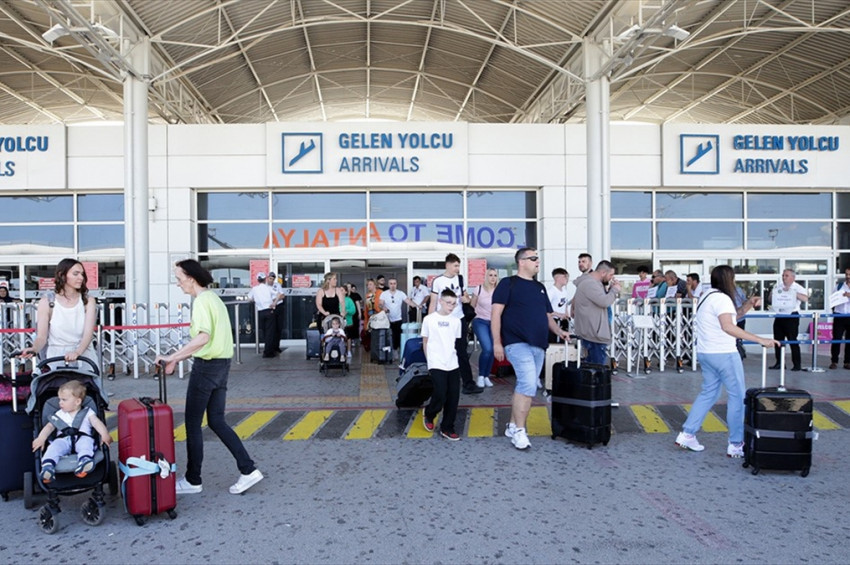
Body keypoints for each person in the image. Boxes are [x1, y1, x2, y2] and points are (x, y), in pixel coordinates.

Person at [156, 259, 263, 496]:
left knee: (193, 424)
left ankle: (193, 479)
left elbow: (203, 338)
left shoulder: (202, 301)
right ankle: (248, 469)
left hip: (206, 368)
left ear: (191, 279)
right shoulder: (213, 298)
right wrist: (178, 359)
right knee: (216, 421)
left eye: (179, 278)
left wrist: (172, 356)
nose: (178, 283)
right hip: (222, 366)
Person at [675, 265, 778, 457]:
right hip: (724, 353)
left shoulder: (708, 296)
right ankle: (736, 444)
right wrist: (759, 339)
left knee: (709, 393)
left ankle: (687, 434)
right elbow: (728, 327)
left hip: (707, 353)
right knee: (737, 397)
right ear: (729, 280)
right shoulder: (722, 299)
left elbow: (731, 318)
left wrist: (747, 304)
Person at [491, 248, 570, 450]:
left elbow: (547, 316)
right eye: (533, 258)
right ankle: (519, 431)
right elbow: (496, 315)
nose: (538, 262)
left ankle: (511, 425)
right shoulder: (507, 284)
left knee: (527, 386)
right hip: (516, 343)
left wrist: (559, 332)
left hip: (538, 344)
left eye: (538, 258)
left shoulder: (539, 287)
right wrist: (497, 343)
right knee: (527, 384)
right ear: (521, 262)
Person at [32, 379, 111, 483]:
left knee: (86, 444)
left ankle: (85, 461)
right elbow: (49, 427)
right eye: (59, 399)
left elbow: (97, 423)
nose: (60, 403)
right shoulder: (59, 414)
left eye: (64, 400)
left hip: (82, 438)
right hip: (63, 440)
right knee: (54, 447)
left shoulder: (87, 412)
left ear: (77, 401)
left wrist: (105, 434)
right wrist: (41, 438)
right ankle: (48, 466)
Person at [21, 258, 97, 367]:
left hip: (84, 355)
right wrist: (34, 349)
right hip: (56, 356)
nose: (81, 278)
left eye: (82, 274)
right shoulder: (47, 301)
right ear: (62, 275)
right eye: (76, 274)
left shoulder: (88, 301)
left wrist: (77, 352)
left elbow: (88, 334)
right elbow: (41, 337)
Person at [429, 253, 481, 394]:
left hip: (459, 319)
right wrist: (429, 322)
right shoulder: (438, 281)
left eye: (459, 265)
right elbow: (433, 302)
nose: (457, 268)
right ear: (447, 265)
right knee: (443, 349)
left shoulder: (460, 279)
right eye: (455, 265)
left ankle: (468, 383)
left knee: (461, 351)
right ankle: (443, 380)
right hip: (443, 320)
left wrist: (466, 299)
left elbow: (466, 297)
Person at [421, 289, 463, 441]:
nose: (451, 306)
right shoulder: (429, 320)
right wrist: (429, 360)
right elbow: (425, 341)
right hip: (436, 362)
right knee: (440, 393)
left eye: (454, 303)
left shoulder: (456, 321)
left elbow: (455, 343)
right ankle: (430, 413)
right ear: (440, 301)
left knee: (453, 396)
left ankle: (447, 427)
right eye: (448, 303)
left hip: (452, 362)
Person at [571, 260, 621, 366]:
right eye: (611, 274)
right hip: (594, 333)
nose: (611, 278)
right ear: (603, 272)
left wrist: (610, 290)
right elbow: (604, 302)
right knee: (596, 369)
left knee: (592, 367)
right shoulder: (590, 284)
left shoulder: (590, 283)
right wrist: (614, 290)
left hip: (591, 331)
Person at [769, 268, 808, 371]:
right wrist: (773, 294)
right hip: (780, 314)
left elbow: (805, 299)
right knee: (778, 340)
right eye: (783, 275)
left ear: (793, 277)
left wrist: (793, 292)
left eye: (786, 276)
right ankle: (780, 363)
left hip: (792, 315)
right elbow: (770, 299)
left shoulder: (798, 287)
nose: (784, 278)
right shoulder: (778, 286)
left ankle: (796, 364)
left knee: (792, 340)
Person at [470, 268, 499, 388]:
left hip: (494, 322)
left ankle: (486, 376)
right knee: (487, 348)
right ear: (486, 277)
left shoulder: (499, 291)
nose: (493, 278)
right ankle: (481, 376)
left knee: (492, 350)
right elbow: (472, 305)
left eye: (495, 275)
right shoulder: (479, 288)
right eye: (490, 275)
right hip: (480, 321)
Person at [247, 272, 279, 358]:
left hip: (260, 312)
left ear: (258, 280)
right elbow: (278, 294)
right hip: (269, 310)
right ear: (265, 279)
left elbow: (249, 298)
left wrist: (255, 300)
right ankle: (268, 352)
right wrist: (274, 303)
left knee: (265, 331)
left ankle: (268, 350)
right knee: (270, 332)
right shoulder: (268, 288)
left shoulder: (254, 289)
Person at [379, 277, 413, 357]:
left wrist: (417, 306)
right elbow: (380, 304)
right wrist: (384, 308)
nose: (393, 285)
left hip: (398, 319)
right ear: (388, 284)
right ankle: (388, 352)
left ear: (396, 284)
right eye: (391, 284)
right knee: (388, 336)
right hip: (387, 319)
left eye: (394, 283)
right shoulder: (384, 293)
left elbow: (408, 301)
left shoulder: (400, 293)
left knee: (397, 336)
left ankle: (395, 350)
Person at [830, 267, 850, 370]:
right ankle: (834, 361)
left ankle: (847, 362)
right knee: (836, 339)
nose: (848, 276)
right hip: (839, 315)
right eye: (846, 274)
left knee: (849, 340)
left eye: (849, 274)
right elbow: (832, 299)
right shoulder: (839, 286)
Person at [546, 267, 573, 343]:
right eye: (565, 276)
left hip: (563, 322)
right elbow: (545, 308)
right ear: (557, 277)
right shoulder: (551, 291)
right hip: (554, 321)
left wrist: (566, 314)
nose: (567, 279)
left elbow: (565, 304)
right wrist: (558, 314)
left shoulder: (564, 291)